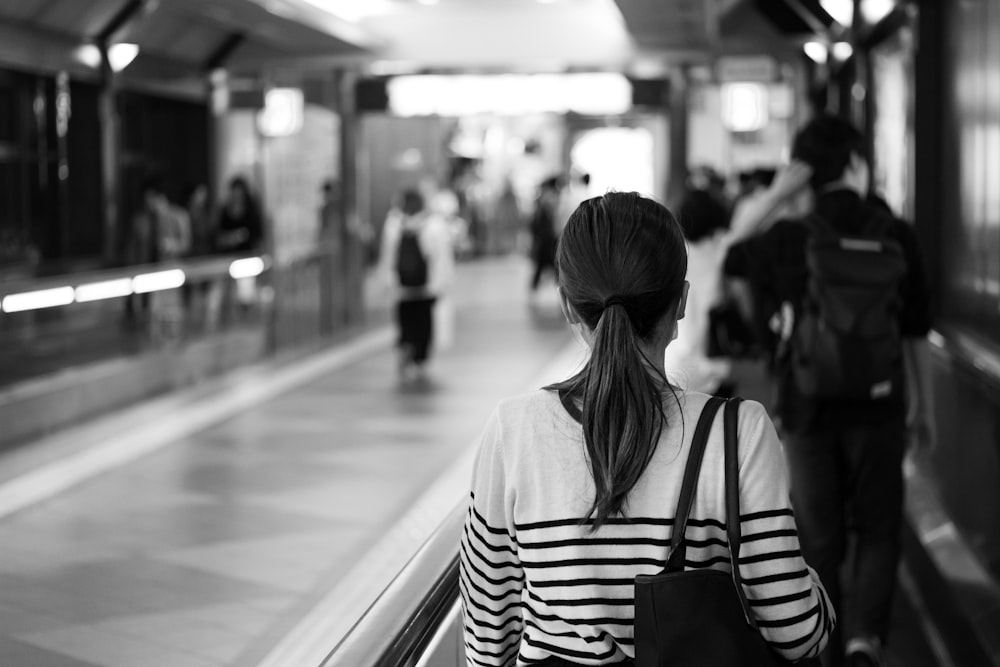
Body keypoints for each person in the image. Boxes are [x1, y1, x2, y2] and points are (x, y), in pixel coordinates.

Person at [460, 191, 835, 665]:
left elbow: (488, 639)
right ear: (680, 303)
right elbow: (796, 632)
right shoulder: (740, 432)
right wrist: (816, 589)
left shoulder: (512, 432)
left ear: (569, 306)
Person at [733, 114, 935, 667]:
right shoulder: (893, 230)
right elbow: (916, 325)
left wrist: (776, 196)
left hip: (807, 406)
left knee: (819, 534)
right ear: (854, 163)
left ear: (803, 173)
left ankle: (822, 642)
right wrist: (923, 405)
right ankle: (865, 639)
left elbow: (731, 252)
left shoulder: (787, 237)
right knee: (878, 525)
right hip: (881, 402)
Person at [379, 188, 454, 384]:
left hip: (403, 287)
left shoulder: (394, 224)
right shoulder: (434, 224)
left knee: (405, 321)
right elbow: (442, 257)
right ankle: (419, 360)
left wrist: (388, 281)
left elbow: (388, 256)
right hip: (426, 288)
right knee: (424, 324)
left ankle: (405, 350)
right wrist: (441, 284)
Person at [527, 176, 561, 299]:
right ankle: (559, 293)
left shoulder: (541, 200)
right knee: (547, 267)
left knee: (548, 268)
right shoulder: (545, 200)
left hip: (546, 241)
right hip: (546, 241)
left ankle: (535, 292)